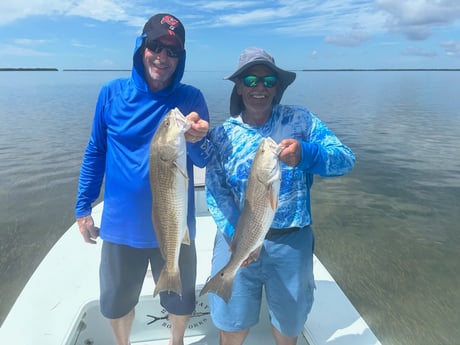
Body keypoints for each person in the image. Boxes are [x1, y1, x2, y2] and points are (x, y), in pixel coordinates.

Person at [75, 13, 212, 345]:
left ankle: (176, 341)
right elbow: (96, 151)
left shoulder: (191, 98)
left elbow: (205, 158)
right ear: (141, 47)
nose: (163, 57)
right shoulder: (111, 94)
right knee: (117, 305)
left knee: (180, 299)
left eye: (173, 51)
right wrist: (83, 207)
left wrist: (198, 139)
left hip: (176, 228)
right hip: (121, 228)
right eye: (156, 46)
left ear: (181, 58)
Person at [205, 47, 356, 345]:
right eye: (250, 80)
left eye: (268, 80)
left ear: (278, 86)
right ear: (238, 86)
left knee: (288, 325)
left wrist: (307, 154)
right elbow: (215, 190)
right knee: (231, 324)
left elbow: (345, 159)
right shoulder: (223, 134)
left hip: (292, 240)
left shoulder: (301, 120)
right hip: (236, 237)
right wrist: (239, 236)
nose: (259, 88)